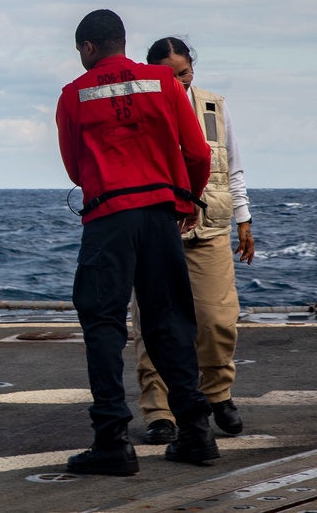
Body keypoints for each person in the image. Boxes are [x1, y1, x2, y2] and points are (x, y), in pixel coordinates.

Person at [56, 9, 218, 476]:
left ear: (88, 48)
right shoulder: (165, 84)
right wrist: (184, 201)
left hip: (109, 219)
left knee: (103, 322)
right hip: (162, 217)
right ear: (122, 42)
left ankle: (112, 439)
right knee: (169, 320)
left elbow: (74, 168)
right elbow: (198, 153)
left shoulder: (74, 95)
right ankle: (196, 433)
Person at [133, 36, 255, 445]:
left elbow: (232, 166)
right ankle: (159, 411)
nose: (178, 81)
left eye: (183, 73)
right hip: (158, 228)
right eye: (169, 75)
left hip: (210, 227)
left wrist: (243, 220)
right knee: (155, 325)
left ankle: (217, 393)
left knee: (219, 320)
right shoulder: (140, 106)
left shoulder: (213, 106)